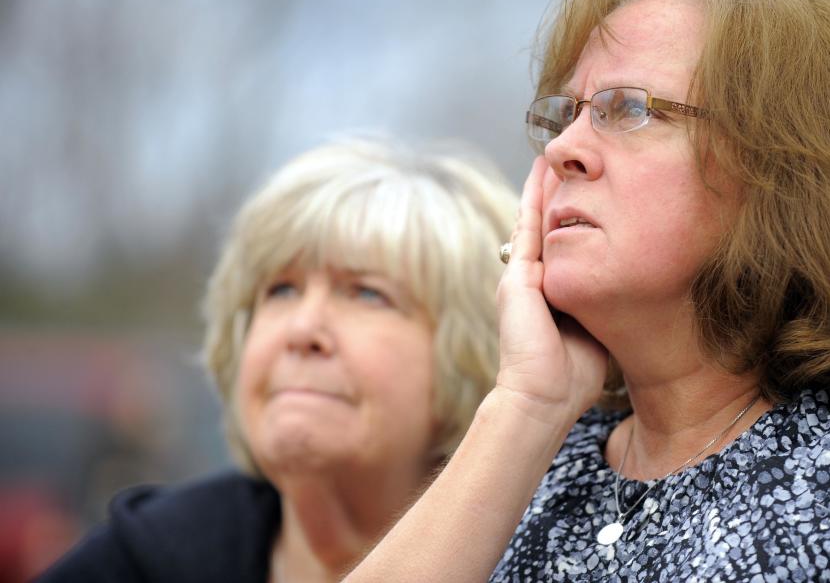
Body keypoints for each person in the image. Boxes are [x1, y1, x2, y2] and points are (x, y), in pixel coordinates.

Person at [345, 0, 830, 580]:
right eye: (567, 115)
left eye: (629, 109)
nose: (564, 150)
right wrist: (528, 405)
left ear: (788, 172)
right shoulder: (526, 467)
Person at [37, 137, 518, 582]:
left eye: (367, 294)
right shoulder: (150, 558)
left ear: (475, 347)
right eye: (281, 290)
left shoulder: (548, 555)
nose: (302, 328)